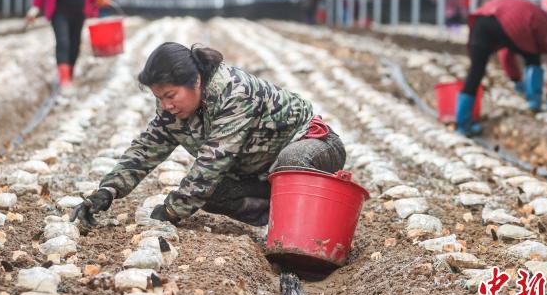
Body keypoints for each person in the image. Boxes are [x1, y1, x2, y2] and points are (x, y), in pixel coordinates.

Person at [70, 42, 346, 227]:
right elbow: (148, 147)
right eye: (159, 97)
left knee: (290, 163)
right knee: (210, 193)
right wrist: (108, 190)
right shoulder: (174, 108)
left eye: (170, 95)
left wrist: (170, 212)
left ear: (196, 81)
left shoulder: (234, 92)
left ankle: (309, 223)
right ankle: (278, 219)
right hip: (261, 172)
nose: (166, 105)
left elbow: (214, 160)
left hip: (314, 146)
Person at [455, 0, 547, 136]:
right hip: (507, 21)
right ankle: (534, 102)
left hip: (482, 19)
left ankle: (462, 124)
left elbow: (506, 50)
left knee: (476, 71)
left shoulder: (539, 17)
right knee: (533, 56)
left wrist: (515, 78)